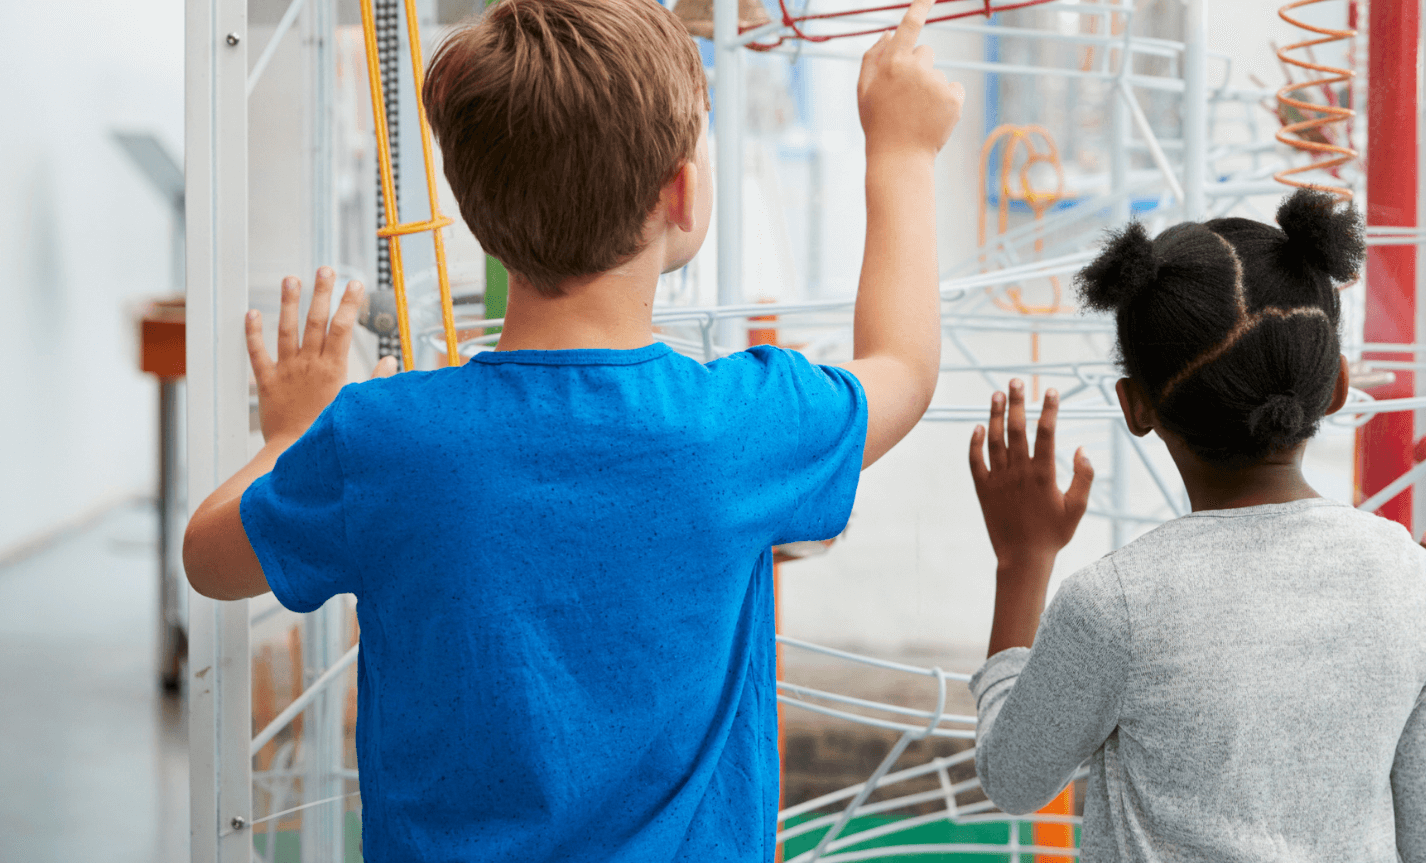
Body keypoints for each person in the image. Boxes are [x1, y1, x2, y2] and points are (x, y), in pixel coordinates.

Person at [180, 0, 962, 859]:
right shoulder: (738, 430)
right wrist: (902, 148)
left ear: (476, 208)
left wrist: (291, 431)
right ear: (683, 191)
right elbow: (902, 367)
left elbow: (208, 558)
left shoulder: (383, 440)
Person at [964, 189, 1426, 862]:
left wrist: (1022, 560)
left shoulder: (1115, 606)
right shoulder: (1415, 587)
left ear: (1135, 406)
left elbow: (1013, 778)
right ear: (1336, 385)